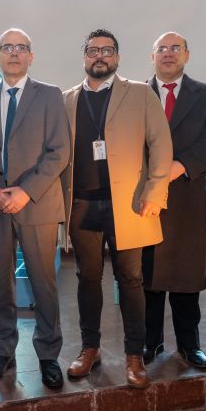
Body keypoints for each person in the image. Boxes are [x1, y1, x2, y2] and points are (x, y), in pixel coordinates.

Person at [62, 29, 172, 388]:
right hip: (82, 203)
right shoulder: (67, 99)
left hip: (129, 204)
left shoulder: (140, 93)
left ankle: (134, 355)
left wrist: (155, 190)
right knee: (87, 278)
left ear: (117, 57)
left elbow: (161, 143)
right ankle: (89, 349)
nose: (100, 56)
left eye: (107, 50)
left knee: (131, 279)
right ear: (84, 57)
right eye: (93, 50)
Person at [0, 28, 70, 389]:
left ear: (31, 56)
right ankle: (4, 350)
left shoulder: (50, 95)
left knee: (43, 282)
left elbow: (59, 151)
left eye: (21, 47)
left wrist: (25, 192)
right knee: (1, 282)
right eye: (7, 47)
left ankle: (48, 353)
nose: (14, 52)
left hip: (37, 203)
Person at [142, 32, 206, 369]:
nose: (168, 53)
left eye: (175, 48)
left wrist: (180, 166)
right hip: (146, 195)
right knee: (147, 274)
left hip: (188, 194)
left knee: (186, 274)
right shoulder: (135, 95)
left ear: (186, 55)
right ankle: (150, 341)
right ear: (152, 57)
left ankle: (190, 345)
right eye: (161, 48)